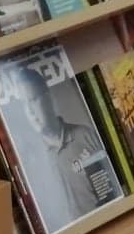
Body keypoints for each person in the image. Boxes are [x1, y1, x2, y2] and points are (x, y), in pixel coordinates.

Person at [14, 64, 111, 224]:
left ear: (48, 98)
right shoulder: (30, 161)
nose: (30, 111)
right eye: (24, 105)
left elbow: (110, 191)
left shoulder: (85, 135)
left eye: (33, 100)